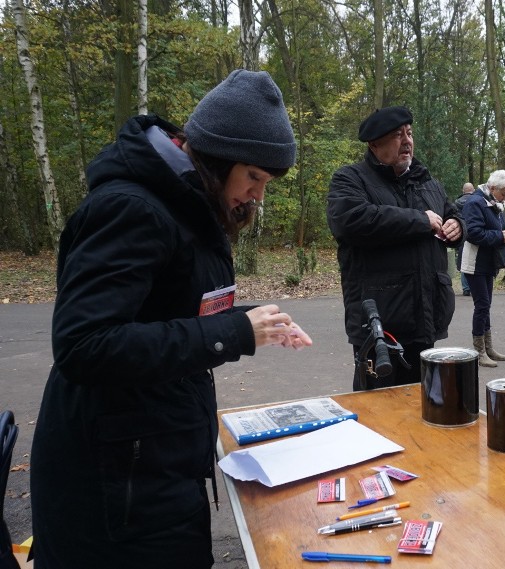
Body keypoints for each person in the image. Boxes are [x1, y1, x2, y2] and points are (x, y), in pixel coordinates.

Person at [30, 69, 313, 569]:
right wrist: (230, 333)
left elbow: (167, 310)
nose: (258, 195)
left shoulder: (184, 205)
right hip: (115, 488)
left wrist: (250, 322)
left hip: (152, 464)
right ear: (218, 158)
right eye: (254, 177)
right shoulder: (132, 208)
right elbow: (84, 344)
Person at [327, 106, 464, 390]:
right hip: (381, 324)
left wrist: (457, 226)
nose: (407, 141)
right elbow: (350, 220)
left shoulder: (427, 182)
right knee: (379, 415)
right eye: (396, 135)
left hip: (427, 318)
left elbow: (451, 212)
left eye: (409, 133)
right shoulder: (351, 179)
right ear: (374, 144)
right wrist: (419, 220)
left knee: (426, 408)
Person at [460, 170, 505, 367]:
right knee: (482, 306)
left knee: (486, 306)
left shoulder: (493, 203)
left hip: (487, 263)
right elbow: (473, 233)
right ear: (493, 188)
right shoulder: (475, 203)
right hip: (474, 264)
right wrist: (499, 237)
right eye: (504, 193)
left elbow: (499, 224)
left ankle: (488, 347)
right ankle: (479, 352)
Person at [454, 182, 476, 296]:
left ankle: (466, 288)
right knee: (474, 260)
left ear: (463, 191)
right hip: (474, 234)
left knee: (463, 261)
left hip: (461, 235)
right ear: (473, 190)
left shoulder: (456, 203)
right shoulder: (477, 201)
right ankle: (473, 287)